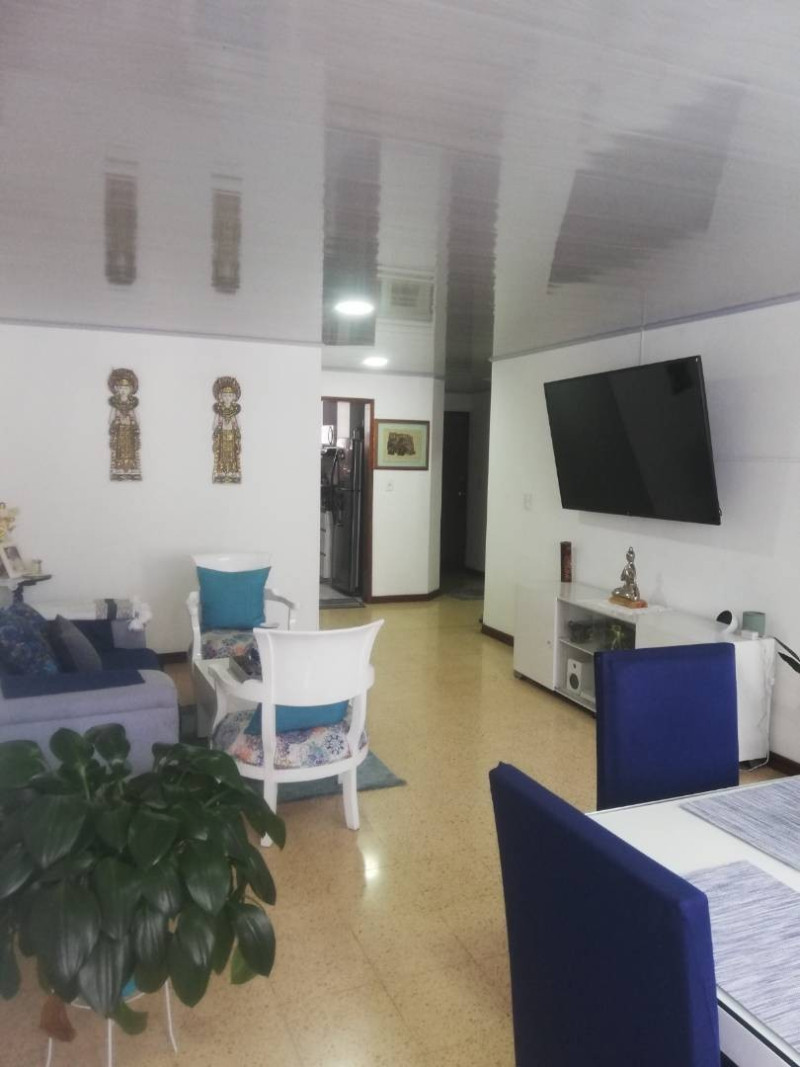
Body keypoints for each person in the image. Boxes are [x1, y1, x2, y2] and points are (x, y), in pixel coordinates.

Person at [108, 368, 141, 481]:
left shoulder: (132, 403)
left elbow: (137, 419)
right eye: (120, 387)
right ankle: (119, 470)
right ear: (116, 389)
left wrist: (132, 421)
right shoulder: (115, 403)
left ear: (131, 389)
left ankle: (131, 470)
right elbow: (110, 419)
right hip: (120, 431)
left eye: (126, 388)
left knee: (130, 451)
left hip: (129, 432)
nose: (123, 390)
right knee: (119, 451)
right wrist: (116, 421)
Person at [212, 376, 242, 483]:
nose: (227, 398)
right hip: (222, 435)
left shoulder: (234, 410)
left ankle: (232, 472)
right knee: (222, 454)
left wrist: (237, 428)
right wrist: (217, 427)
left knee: (232, 454)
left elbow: (239, 424)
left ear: (233, 397)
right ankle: (221, 472)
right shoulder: (219, 410)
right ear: (221, 397)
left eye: (229, 395)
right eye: (225, 395)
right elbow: (214, 424)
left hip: (232, 435)